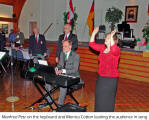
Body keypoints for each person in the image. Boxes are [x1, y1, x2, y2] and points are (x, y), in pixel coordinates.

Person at [39, 40, 83, 109]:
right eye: (63, 46)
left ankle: (60, 105)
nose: (63, 48)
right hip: (63, 75)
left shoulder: (76, 56)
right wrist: (56, 68)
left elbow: (75, 70)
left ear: (70, 47)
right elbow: (60, 65)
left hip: (74, 77)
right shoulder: (62, 53)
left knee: (63, 85)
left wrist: (63, 70)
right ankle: (49, 101)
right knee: (47, 81)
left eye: (65, 46)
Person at [89, 27, 120, 112]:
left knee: (108, 100)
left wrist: (112, 36)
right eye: (106, 37)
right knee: (99, 98)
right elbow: (91, 44)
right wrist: (94, 33)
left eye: (108, 38)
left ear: (112, 40)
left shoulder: (116, 50)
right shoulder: (102, 48)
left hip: (110, 80)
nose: (105, 39)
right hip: (101, 78)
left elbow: (113, 49)